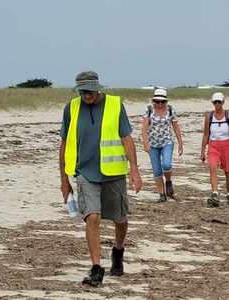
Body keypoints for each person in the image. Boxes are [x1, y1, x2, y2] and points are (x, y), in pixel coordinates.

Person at [59, 71, 143, 287]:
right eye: (83, 91)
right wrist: (64, 180)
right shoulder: (71, 108)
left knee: (120, 219)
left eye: (90, 90)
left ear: (98, 88)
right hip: (85, 173)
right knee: (92, 217)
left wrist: (134, 169)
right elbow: (64, 144)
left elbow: (127, 138)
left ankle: (118, 250)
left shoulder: (115, 105)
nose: (86, 95)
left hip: (113, 173)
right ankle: (96, 268)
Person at [141, 88, 183, 203]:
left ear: (166, 102)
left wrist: (180, 142)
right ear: (153, 101)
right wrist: (145, 143)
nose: (160, 104)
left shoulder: (170, 110)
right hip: (153, 144)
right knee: (157, 171)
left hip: (167, 142)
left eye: (162, 102)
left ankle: (168, 181)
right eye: (157, 101)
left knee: (166, 164)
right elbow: (144, 128)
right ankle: (162, 195)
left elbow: (175, 126)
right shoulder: (149, 109)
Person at [200, 92, 229, 207]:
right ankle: (215, 193)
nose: (217, 104)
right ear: (212, 103)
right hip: (213, 145)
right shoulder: (208, 116)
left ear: (223, 102)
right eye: (215, 102)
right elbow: (206, 134)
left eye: (219, 102)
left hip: (227, 145)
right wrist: (202, 150)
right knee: (212, 167)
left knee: (228, 171)